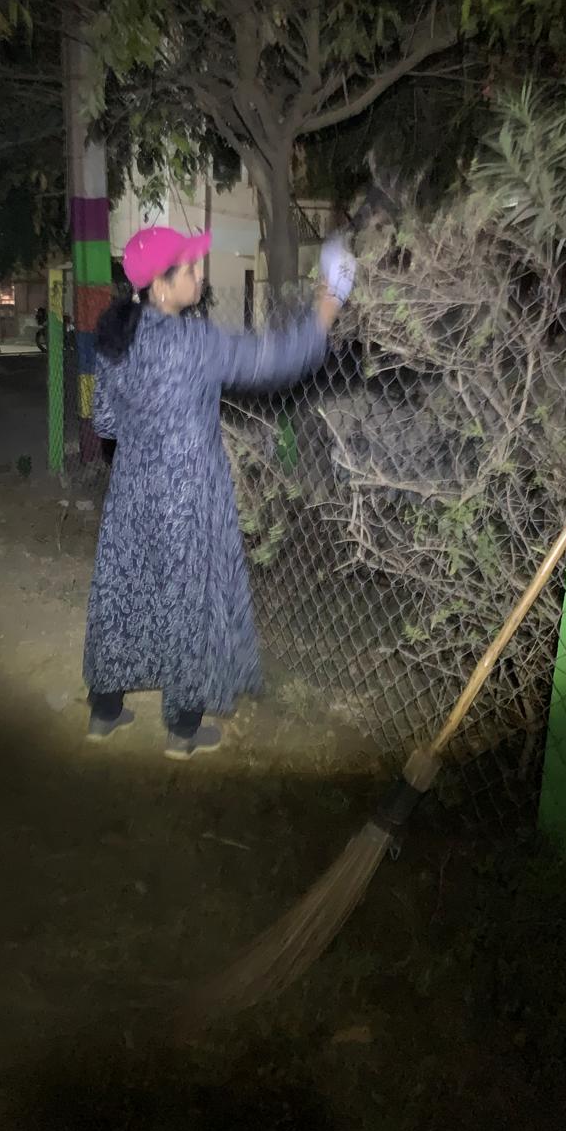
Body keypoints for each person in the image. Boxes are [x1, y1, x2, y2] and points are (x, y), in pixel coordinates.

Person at [83, 225, 355, 759]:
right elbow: (274, 360)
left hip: (133, 491)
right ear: (162, 285)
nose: (200, 274)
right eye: (190, 267)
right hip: (188, 493)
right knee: (191, 601)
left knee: (126, 590)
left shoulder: (115, 341)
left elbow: (106, 423)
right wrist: (327, 306)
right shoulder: (195, 342)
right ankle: (183, 731)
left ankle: (104, 712)